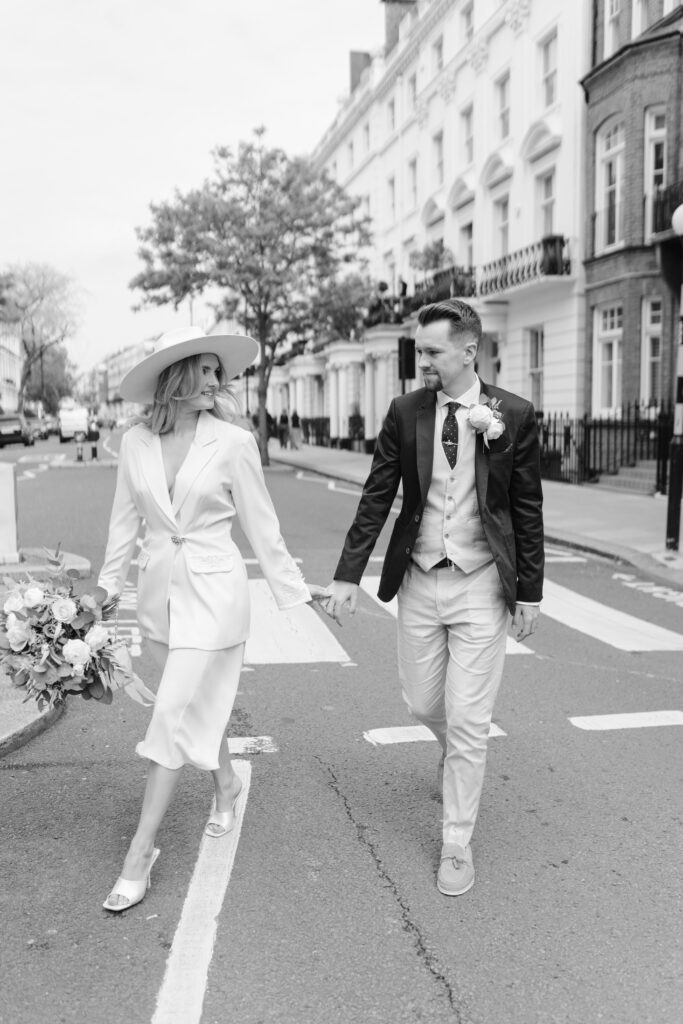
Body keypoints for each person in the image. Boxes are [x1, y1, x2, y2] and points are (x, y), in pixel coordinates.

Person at [97, 326, 326, 912]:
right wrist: (103, 592)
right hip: (158, 600)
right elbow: (125, 525)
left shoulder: (231, 442)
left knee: (171, 714)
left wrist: (297, 592)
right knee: (195, 708)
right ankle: (225, 782)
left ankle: (139, 852)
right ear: (174, 376)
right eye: (203, 369)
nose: (215, 380)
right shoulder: (136, 444)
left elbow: (262, 524)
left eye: (217, 372)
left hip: (215, 596)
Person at [323, 299, 544, 897]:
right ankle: (454, 754)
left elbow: (525, 507)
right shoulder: (405, 412)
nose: (421, 360)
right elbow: (377, 496)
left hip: (480, 584)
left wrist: (530, 592)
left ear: (468, 351)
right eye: (420, 349)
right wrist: (348, 575)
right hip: (420, 578)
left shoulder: (513, 415)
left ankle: (455, 840)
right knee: (423, 703)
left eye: (431, 351)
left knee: (470, 718)